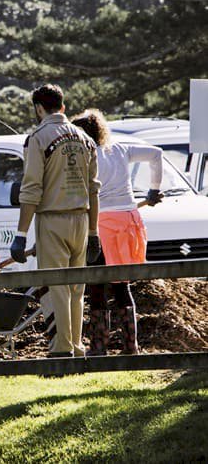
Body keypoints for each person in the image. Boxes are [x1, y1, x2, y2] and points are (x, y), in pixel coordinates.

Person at [10, 84, 101, 357]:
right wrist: (94, 232)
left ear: (39, 108)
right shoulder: (85, 138)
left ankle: (61, 349)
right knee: (77, 289)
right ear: (63, 106)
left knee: (56, 286)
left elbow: (31, 189)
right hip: (82, 220)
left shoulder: (38, 138)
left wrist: (21, 234)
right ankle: (77, 345)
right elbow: (94, 189)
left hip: (52, 219)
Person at [71, 109, 163, 356]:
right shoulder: (121, 150)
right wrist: (154, 190)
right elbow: (157, 154)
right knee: (122, 286)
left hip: (101, 225)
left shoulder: (86, 156)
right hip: (128, 222)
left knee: (97, 286)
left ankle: (99, 347)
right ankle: (131, 347)